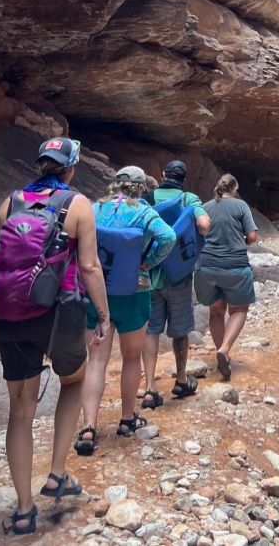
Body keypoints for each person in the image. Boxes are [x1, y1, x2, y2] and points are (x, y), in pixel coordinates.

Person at [0, 137, 110, 536]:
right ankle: (57, 472)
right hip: (60, 314)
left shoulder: (10, 202)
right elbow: (90, 267)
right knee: (72, 379)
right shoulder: (77, 205)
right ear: (71, 168)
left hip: (12, 315)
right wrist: (104, 314)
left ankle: (24, 510)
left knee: (20, 409)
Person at [75, 166, 176, 456]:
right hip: (135, 291)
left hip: (98, 292)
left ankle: (89, 427)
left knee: (96, 360)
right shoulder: (143, 212)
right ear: (140, 187)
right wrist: (149, 262)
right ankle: (127, 418)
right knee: (132, 358)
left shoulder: (94, 209)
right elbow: (167, 237)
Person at [141, 160, 210, 407]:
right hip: (179, 277)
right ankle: (181, 380)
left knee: (151, 330)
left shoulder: (148, 198)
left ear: (163, 175)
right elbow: (204, 226)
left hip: (149, 276)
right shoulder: (188, 199)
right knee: (180, 330)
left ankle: (150, 387)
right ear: (184, 179)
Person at [194, 173, 258, 380]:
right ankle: (225, 349)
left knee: (216, 311)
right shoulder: (241, 207)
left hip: (207, 266)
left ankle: (224, 352)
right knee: (239, 309)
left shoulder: (204, 206)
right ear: (235, 188)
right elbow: (252, 237)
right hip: (235, 266)